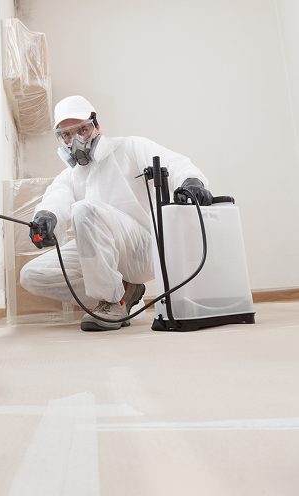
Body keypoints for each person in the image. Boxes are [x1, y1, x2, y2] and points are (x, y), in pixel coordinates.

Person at [19, 95, 214, 331]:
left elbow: (175, 163)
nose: (76, 141)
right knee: (32, 274)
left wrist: (192, 181)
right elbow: (55, 199)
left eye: (81, 130)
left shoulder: (130, 148)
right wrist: (45, 219)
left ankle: (111, 302)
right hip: (100, 255)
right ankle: (123, 293)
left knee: (84, 209)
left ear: (96, 125)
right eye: (67, 135)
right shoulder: (70, 176)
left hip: (141, 248)